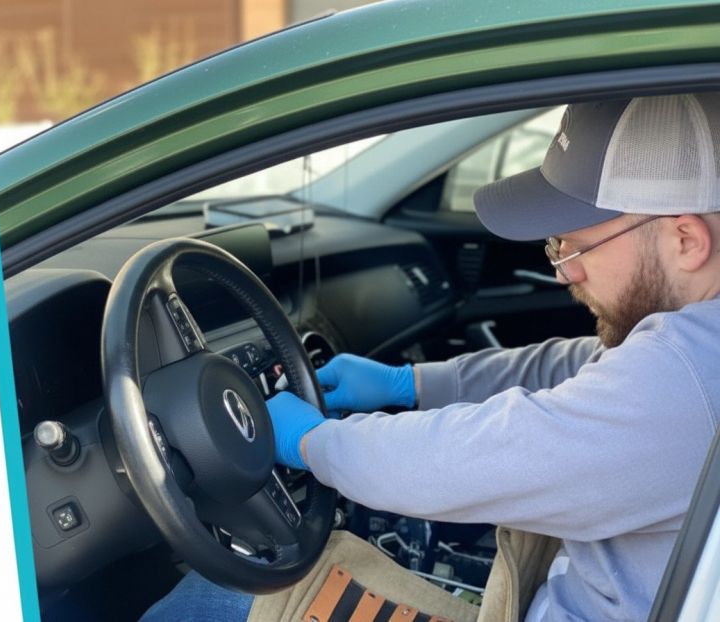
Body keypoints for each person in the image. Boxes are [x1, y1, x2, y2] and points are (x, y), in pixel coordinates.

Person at [142, 93, 720, 621]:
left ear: (686, 240)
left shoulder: (688, 376)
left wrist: (315, 443)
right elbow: (572, 367)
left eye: (575, 244)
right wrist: (408, 383)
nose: (565, 269)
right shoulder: (693, 344)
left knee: (222, 600)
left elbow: (491, 453)